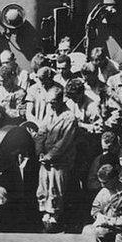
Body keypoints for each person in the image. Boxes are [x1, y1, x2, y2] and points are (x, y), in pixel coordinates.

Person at [34, 85, 78, 232]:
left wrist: (49, 156)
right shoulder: (50, 112)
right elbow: (42, 132)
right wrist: (39, 151)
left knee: (56, 188)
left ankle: (55, 217)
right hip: (45, 159)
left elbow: (64, 142)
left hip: (60, 160)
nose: (50, 105)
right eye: (49, 102)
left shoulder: (69, 118)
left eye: (53, 102)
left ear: (61, 100)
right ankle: (45, 213)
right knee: (44, 186)